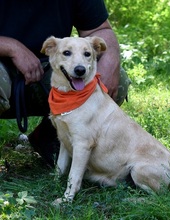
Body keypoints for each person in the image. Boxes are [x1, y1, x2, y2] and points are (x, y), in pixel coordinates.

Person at [0, 1, 130, 166]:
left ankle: (51, 139)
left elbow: (99, 29)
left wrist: (111, 60)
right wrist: (12, 48)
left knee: (117, 81)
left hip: (52, 68)